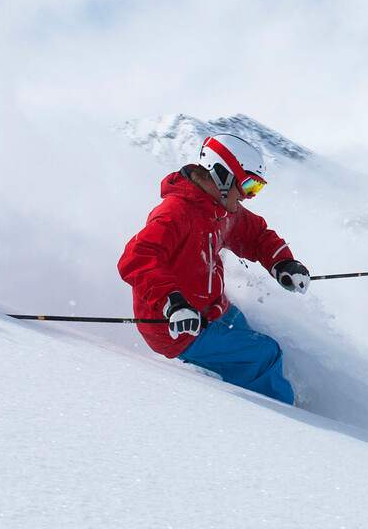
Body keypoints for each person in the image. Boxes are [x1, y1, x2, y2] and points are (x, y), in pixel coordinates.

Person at [117, 131, 311, 404]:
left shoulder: (221, 211)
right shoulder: (176, 213)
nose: (248, 197)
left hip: (213, 309)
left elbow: (255, 234)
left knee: (247, 333)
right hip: (176, 326)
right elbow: (137, 258)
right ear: (222, 175)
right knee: (263, 353)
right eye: (248, 185)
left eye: (256, 188)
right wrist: (173, 304)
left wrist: (282, 262)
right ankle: (285, 420)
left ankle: (250, 391)